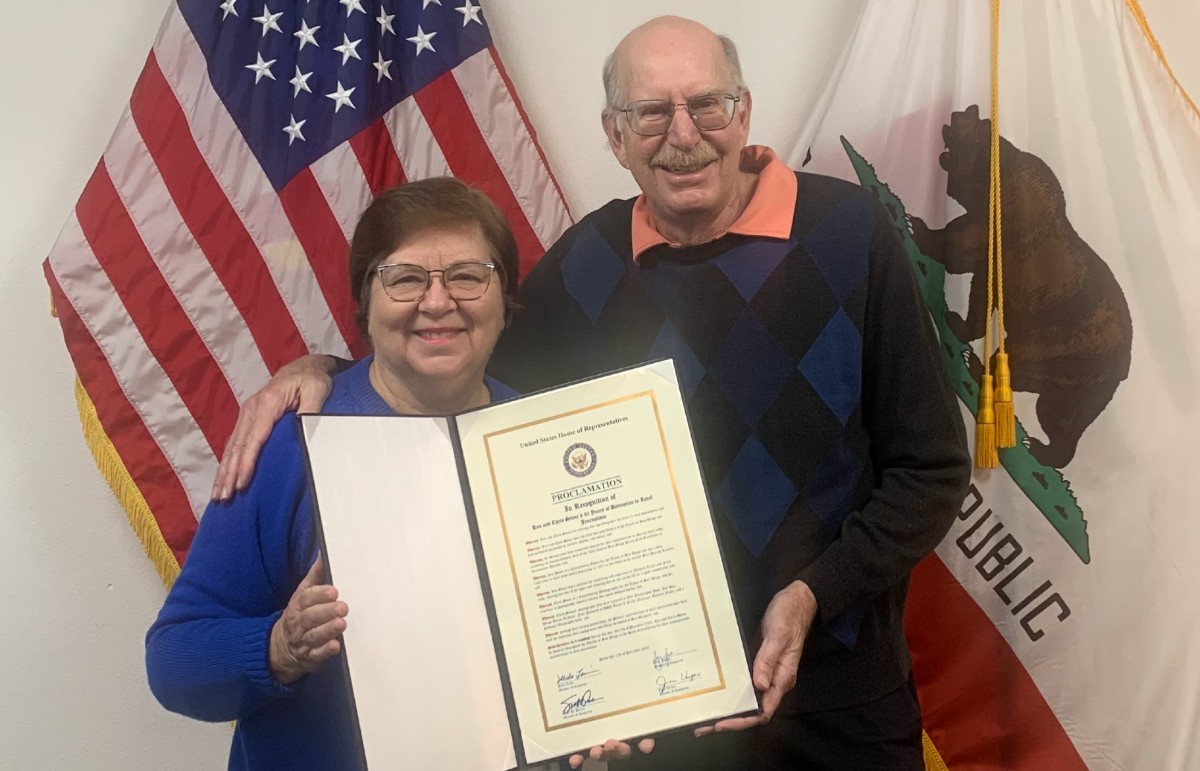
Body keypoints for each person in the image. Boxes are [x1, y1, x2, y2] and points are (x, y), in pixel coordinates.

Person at [213, 16, 971, 771]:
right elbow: (447, 350)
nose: (684, 134)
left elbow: (930, 470)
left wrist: (812, 593)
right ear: (614, 135)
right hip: (653, 718)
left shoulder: (851, 232)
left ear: (743, 112)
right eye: (650, 113)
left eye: (706, 104)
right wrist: (315, 366)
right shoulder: (589, 263)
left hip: (839, 700)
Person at [145, 177, 530, 770]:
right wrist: (280, 646)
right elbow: (173, 662)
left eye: (468, 275)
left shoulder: (542, 437)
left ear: (503, 300)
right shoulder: (290, 445)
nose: (437, 302)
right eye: (404, 278)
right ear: (364, 305)